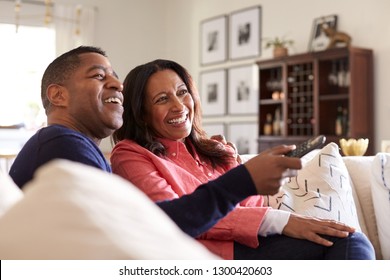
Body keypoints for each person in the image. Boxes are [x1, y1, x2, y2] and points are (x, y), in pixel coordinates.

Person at [9, 45, 302, 239]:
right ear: (58, 95)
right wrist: (244, 179)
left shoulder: (78, 149)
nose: (117, 85)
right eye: (99, 76)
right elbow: (154, 227)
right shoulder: (61, 143)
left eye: (115, 77)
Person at [110, 59, 375, 260]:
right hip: (211, 255)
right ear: (142, 114)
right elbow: (176, 217)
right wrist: (281, 220)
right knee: (347, 244)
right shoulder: (131, 154)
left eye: (182, 92)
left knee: (353, 240)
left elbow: (251, 204)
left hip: (254, 243)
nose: (179, 106)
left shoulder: (212, 150)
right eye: (162, 99)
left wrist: (235, 166)